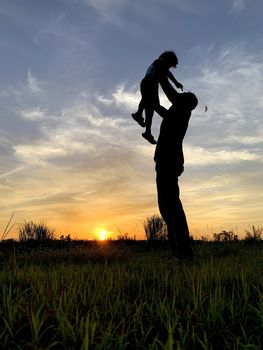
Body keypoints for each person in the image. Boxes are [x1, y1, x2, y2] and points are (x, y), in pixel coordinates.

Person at [154, 78, 198, 258]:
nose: (177, 98)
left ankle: (184, 251)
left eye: (181, 97)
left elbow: (170, 93)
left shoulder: (182, 110)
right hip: (165, 161)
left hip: (169, 161)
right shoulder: (175, 114)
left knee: (172, 205)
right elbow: (160, 109)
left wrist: (161, 75)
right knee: (166, 208)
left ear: (185, 103)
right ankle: (177, 251)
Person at [132, 51, 183, 145]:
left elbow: (165, 75)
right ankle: (138, 114)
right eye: (171, 64)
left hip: (151, 84)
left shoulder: (159, 67)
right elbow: (168, 73)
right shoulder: (160, 61)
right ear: (168, 59)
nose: (170, 67)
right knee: (149, 102)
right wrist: (176, 82)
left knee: (150, 109)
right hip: (148, 82)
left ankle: (148, 132)